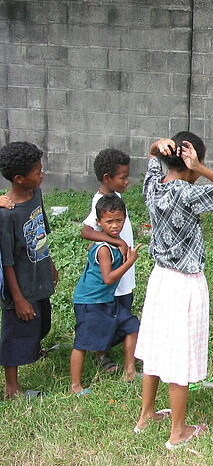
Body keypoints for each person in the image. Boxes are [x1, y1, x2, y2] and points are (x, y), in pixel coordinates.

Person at [134, 132, 213, 449]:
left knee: (155, 347)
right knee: (179, 355)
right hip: (184, 282)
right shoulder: (187, 193)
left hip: (160, 278)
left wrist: (157, 145)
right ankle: (178, 432)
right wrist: (203, 168)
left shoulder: (154, 186)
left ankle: (146, 414)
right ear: (192, 163)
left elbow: (153, 156)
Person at [0, 142, 58, 400]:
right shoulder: (6, 215)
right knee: (15, 331)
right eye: (37, 171)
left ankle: (35, 347)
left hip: (39, 273)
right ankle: (11, 387)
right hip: (20, 285)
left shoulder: (36, 193)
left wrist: (51, 262)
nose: (42, 174)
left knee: (42, 321)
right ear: (18, 178)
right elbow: (7, 260)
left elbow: (41, 229)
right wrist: (19, 298)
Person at [70, 194, 142, 395]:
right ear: (99, 222)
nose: (114, 226)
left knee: (132, 326)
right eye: (109, 221)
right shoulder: (103, 248)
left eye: (119, 220)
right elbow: (108, 278)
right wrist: (130, 261)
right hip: (90, 301)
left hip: (107, 300)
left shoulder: (115, 242)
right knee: (82, 343)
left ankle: (130, 371)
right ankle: (75, 385)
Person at [80, 148, 135, 374]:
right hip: (114, 271)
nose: (127, 181)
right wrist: (118, 243)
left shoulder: (115, 197)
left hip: (124, 272)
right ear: (107, 178)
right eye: (123, 177)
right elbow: (86, 231)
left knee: (124, 308)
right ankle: (102, 355)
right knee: (108, 314)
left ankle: (123, 353)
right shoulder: (100, 201)